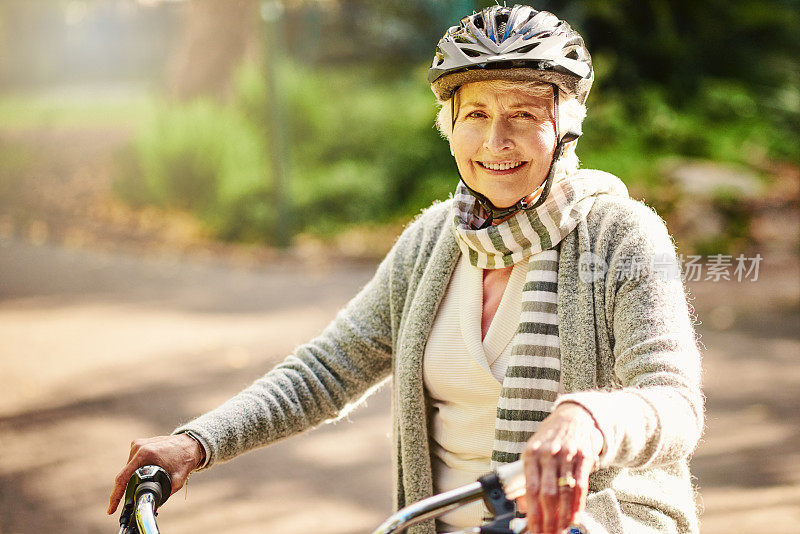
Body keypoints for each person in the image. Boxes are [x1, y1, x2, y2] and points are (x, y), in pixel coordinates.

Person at [108, 5, 703, 534]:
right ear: (450, 127)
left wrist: (590, 416)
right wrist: (197, 442)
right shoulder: (431, 243)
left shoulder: (622, 234)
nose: (497, 140)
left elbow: (674, 404)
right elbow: (328, 368)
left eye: (523, 113)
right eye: (475, 114)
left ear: (566, 128)